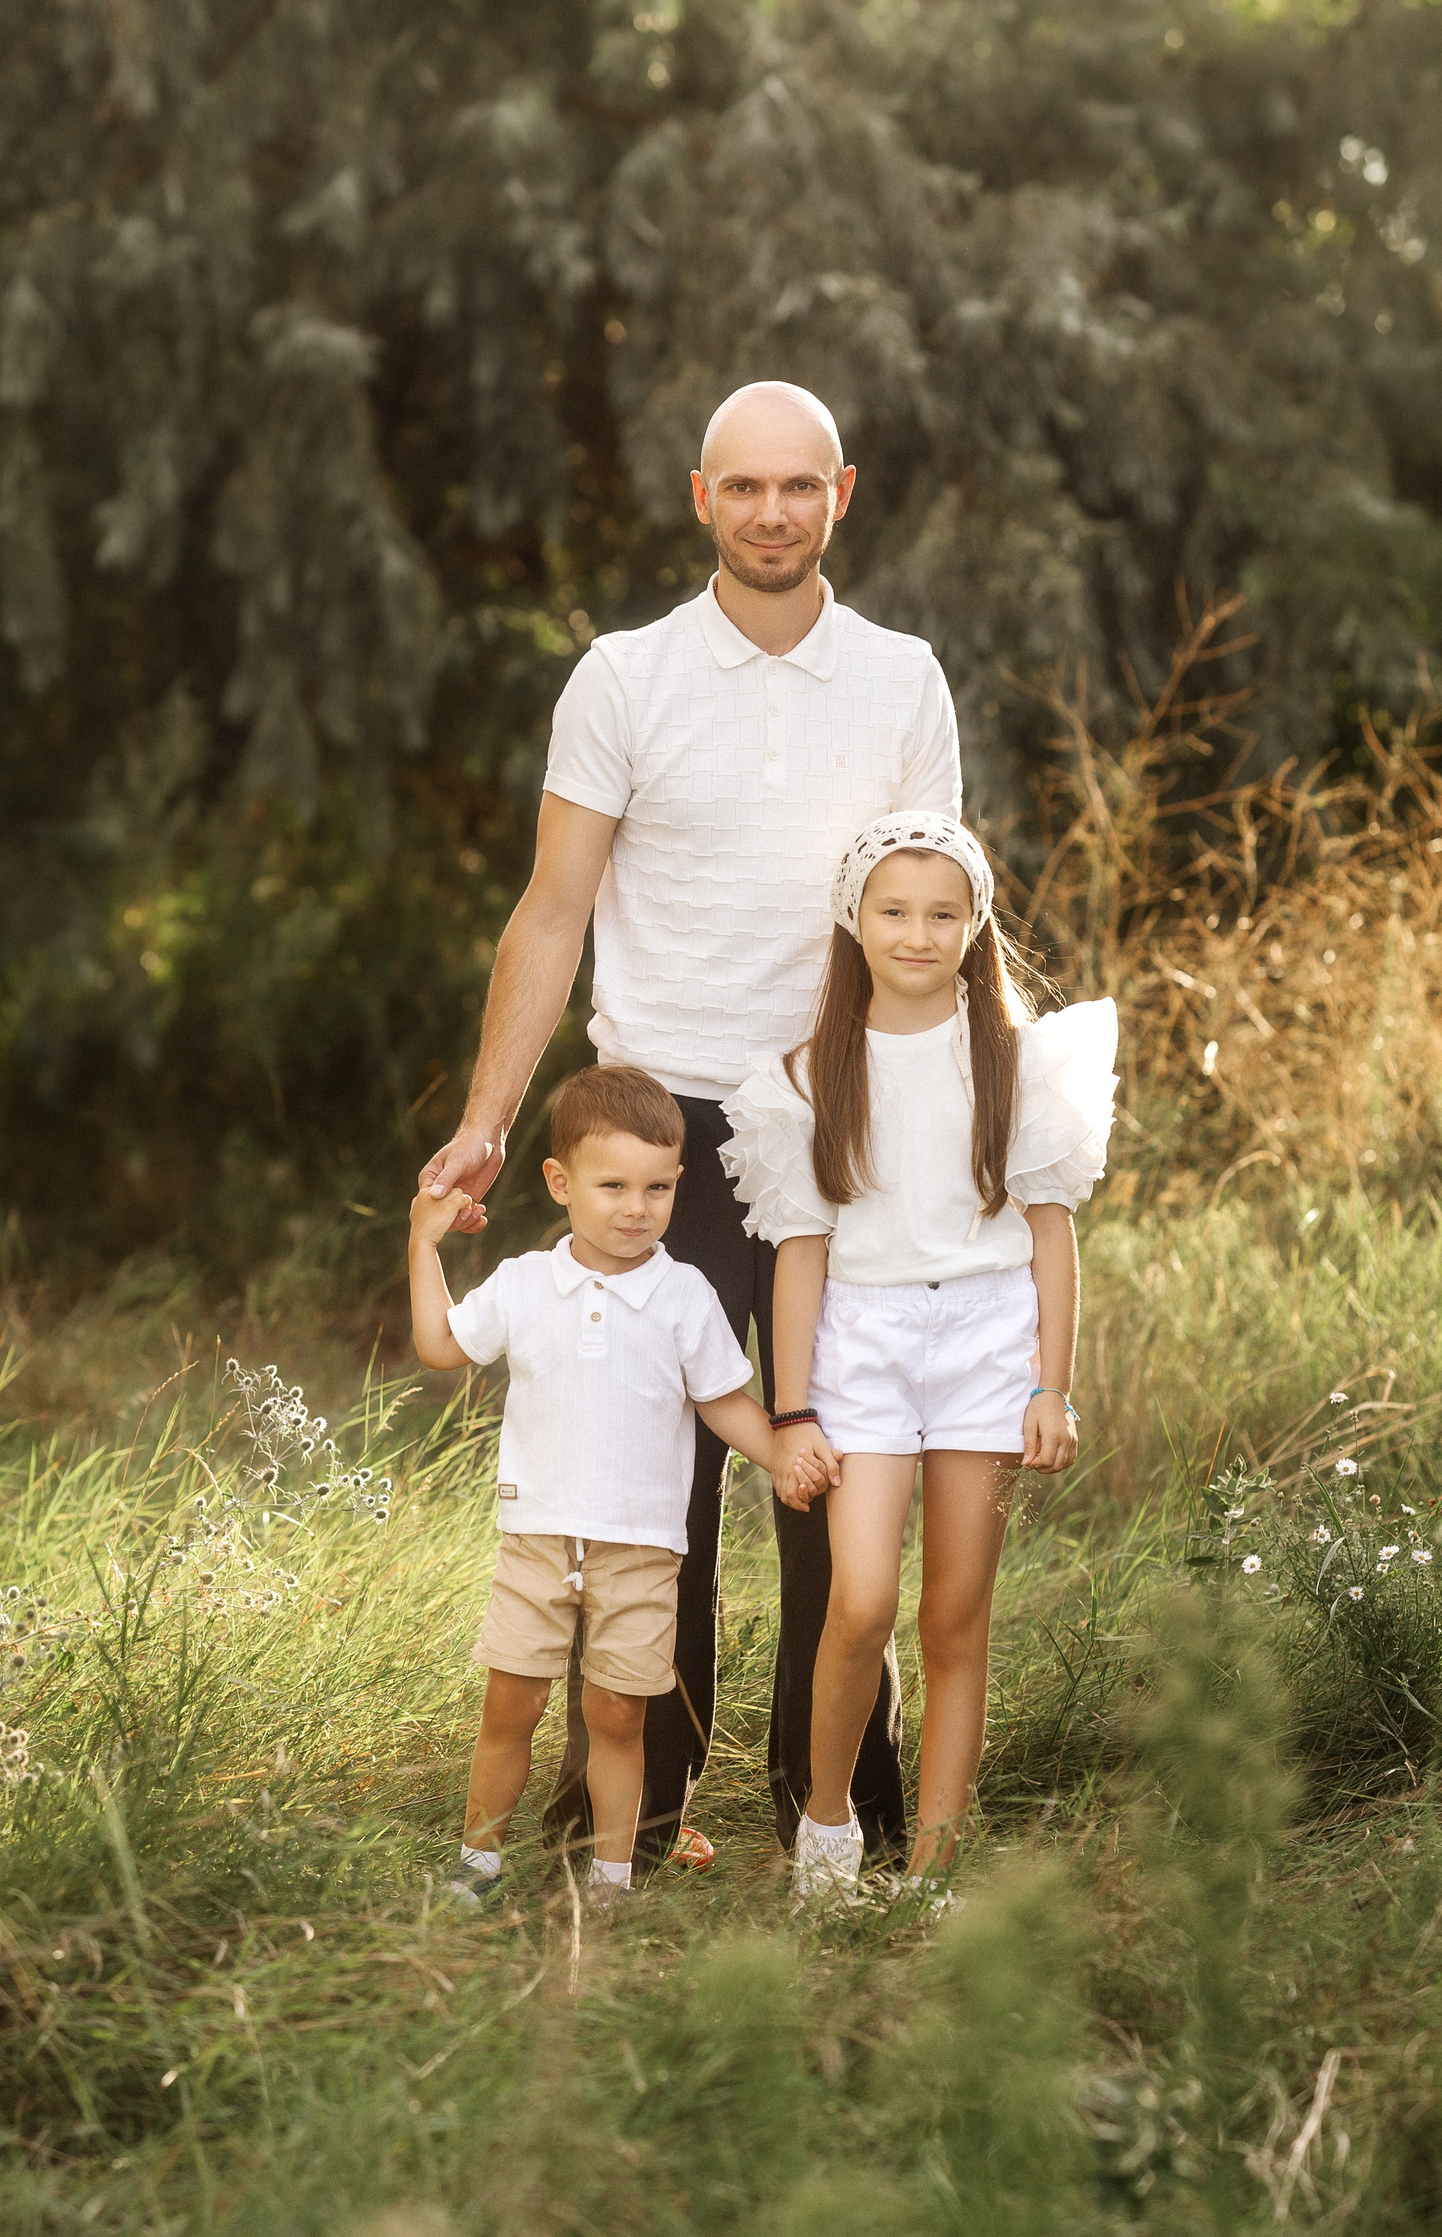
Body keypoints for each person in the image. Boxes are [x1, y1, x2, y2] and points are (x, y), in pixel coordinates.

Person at [417, 380, 961, 1872]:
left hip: (838, 1135)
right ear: (702, 498)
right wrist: (487, 1120)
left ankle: (840, 1811)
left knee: (833, 1479)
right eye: (745, 487)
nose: (773, 512)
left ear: (841, 494)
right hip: (657, 1138)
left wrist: (955, 1131)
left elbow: (934, 923)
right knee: (653, 1495)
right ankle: (634, 1817)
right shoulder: (622, 676)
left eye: (800, 486)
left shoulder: (905, 679)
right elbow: (553, 910)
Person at [720, 811, 1117, 1898]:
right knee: (860, 1603)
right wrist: (792, 1410)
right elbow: (799, 1258)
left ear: (975, 924)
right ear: (855, 919)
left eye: (943, 914)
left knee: (954, 1616)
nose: (917, 933)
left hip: (988, 1340)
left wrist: (1051, 1386)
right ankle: (827, 1823)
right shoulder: (809, 1076)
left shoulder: (1017, 1062)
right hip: (864, 1343)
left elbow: (1050, 1237)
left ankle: (935, 1867)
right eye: (894, 910)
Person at [409, 1064, 824, 1908]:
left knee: (619, 1715)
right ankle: (478, 1862)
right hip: (538, 1537)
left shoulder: (684, 1295)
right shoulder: (526, 1283)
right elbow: (441, 1346)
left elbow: (722, 1401)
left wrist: (782, 1453)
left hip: (641, 1548)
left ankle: (611, 1878)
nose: (637, 1208)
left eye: (658, 1188)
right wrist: (423, 1244)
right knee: (511, 1704)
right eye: (614, 1187)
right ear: (560, 1182)